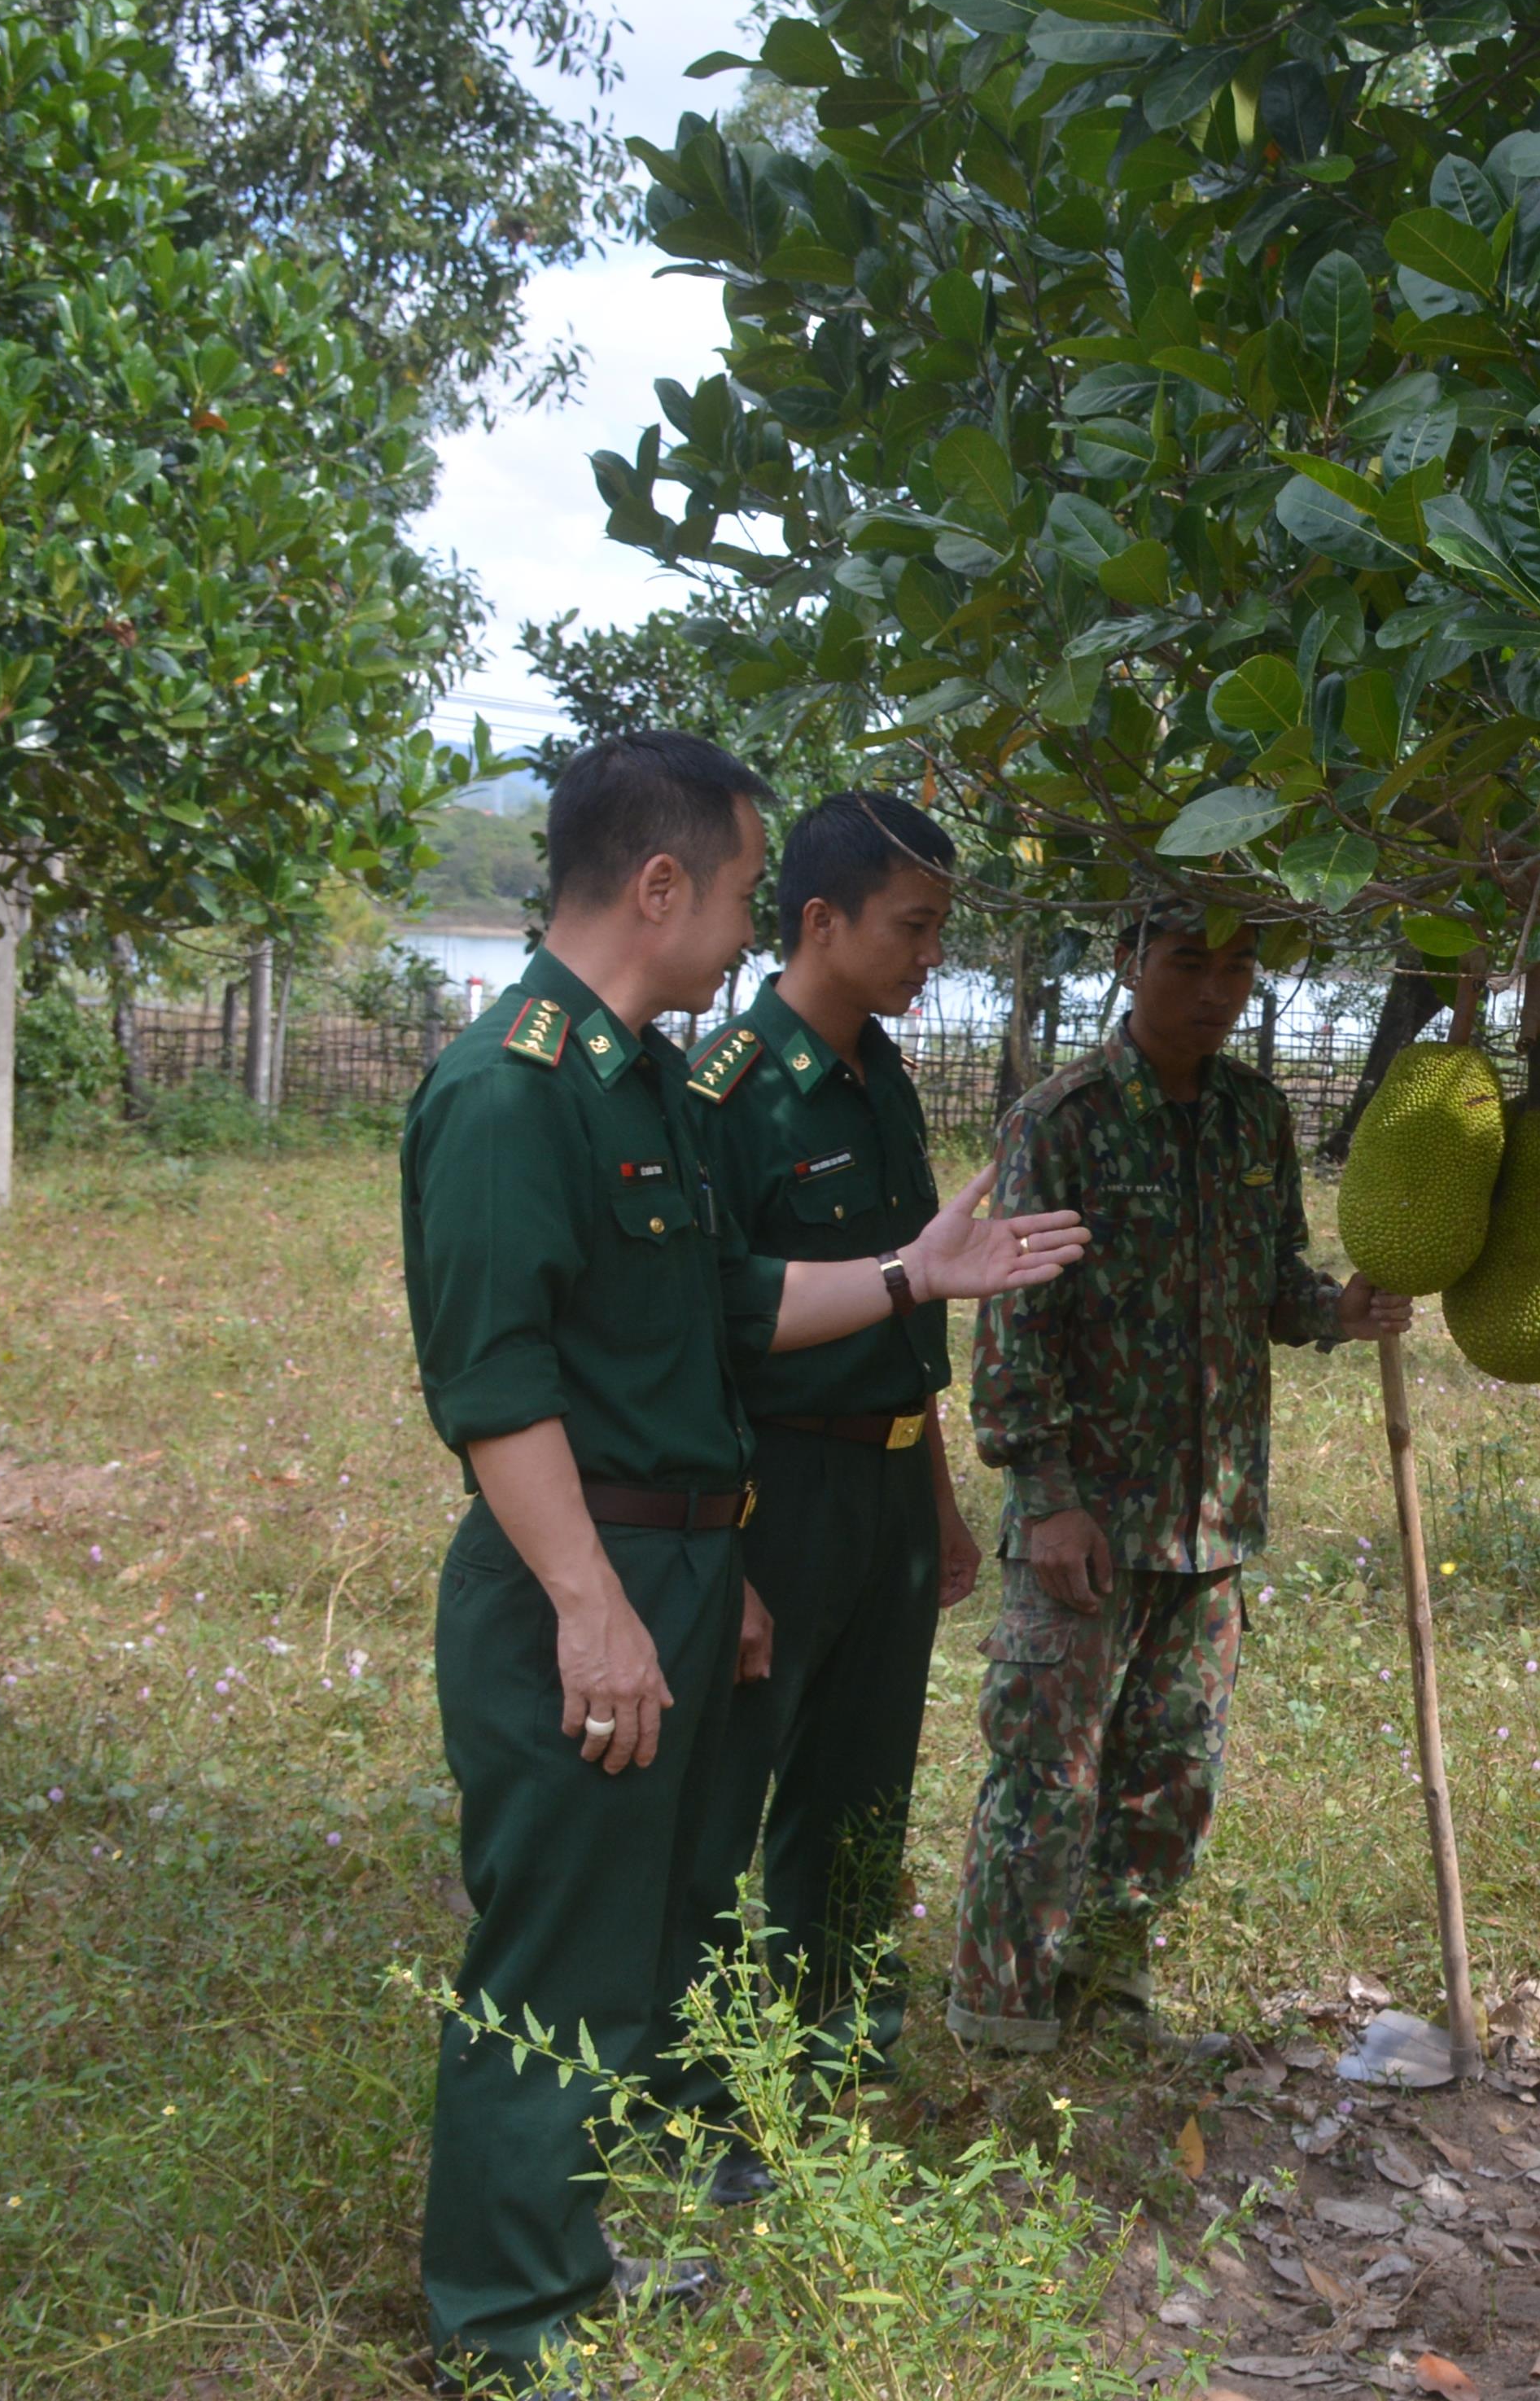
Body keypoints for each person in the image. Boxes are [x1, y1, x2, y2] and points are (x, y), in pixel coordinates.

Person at [399, 734, 1087, 2394]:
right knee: (556, 1948)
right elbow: (493, 1390)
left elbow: (731, 1316)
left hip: (691, 1567)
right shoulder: (506, 1089)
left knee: (648, 1937)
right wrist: (593, 1611)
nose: (746, 921)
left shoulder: (630, 1077)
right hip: (591, 1573)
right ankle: (503, 2328)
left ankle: (571, 2260)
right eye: (733, 888)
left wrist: (915, 1280)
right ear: (658, 888)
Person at [944, 904, 1411, 2053]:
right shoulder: (1061, 1123)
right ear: (1128, 962)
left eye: (1238, 966)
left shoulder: (1254, 1116)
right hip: (1088, 1517)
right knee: (1049, 1774)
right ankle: (1002, 2015)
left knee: (1173, 1774)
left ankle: (1111, 1987)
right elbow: (1011, 1332)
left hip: (1211, 1523)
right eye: (1188, 962)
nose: (1216, 988)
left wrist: (1336, 1313)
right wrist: (1045, 1499)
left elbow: (1270, 1283)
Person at [664, 791, 979, 2199]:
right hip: (773, 1491)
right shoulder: (728, 1098)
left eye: (939, 931)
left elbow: (909, 1307)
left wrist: (944, 1502)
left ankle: (837, 2054)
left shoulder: (884, 1080)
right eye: (912, 929)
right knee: (727, 1799)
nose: (929, 957)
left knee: (862, 1788)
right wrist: (718, 1553)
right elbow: (697, 1339)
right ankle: (700, 2100)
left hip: (890, 1484)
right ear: (819, 921)